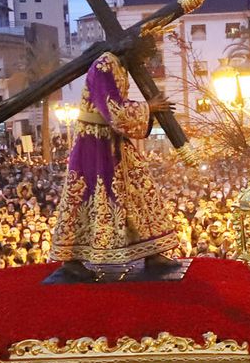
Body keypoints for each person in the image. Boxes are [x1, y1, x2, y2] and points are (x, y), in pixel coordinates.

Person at [48, 53, 179, 278]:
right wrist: (148, 107)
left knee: (140, 189)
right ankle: (71, 257)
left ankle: (153, 251)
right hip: (94, 143)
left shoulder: (121, 65)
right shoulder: (104, 65)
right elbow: (114, 109)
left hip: (114, 140)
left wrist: (147, 110)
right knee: (86, 195)